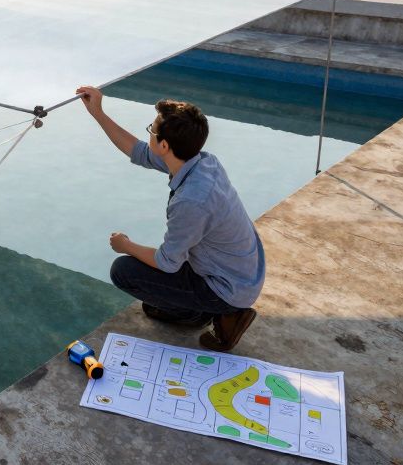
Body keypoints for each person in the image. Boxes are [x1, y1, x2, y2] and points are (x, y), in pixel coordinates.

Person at [75, 86, 263, 352]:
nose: (149, 132)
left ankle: (219, 314)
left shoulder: (192, 200)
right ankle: (199, 309)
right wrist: (98, 113)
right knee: (155, 293)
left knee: (124, 271)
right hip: (240, 273)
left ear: (164, 145)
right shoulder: (202, 162)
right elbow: (137, 151)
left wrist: (125, 244)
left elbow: (167, 263)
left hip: (227, 288)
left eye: (151, 129)